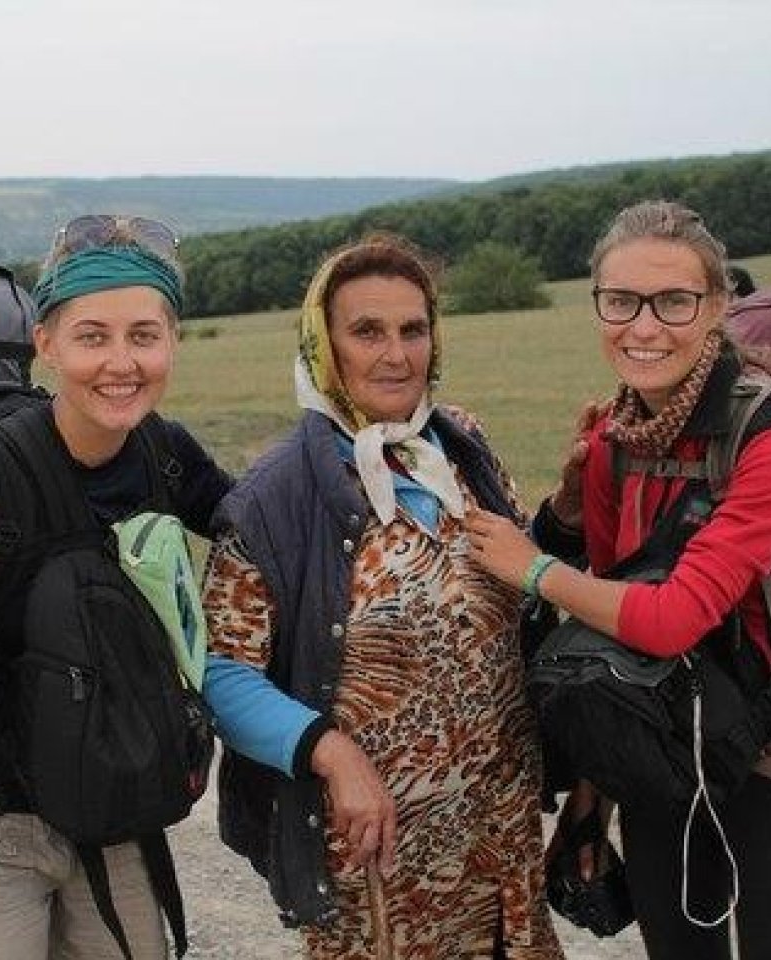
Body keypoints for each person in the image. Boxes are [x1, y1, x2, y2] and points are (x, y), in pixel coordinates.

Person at [0, 214, 314, 960]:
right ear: (45, 344)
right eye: (93, 337)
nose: (121, 362)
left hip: (111, 809)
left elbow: (269, 540)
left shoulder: (164, 456)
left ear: (173, 342)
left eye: (144, 336)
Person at [465, 199, 771, 960]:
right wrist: (590, 801)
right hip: (661, 748)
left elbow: (672, 618)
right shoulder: (615, 439)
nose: (644, 327)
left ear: (720, 305)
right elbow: (614, 634)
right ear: (597, 306)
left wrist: (533, 567)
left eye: (675, 301)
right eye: (621, 301)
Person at [202, 233, 563, 959]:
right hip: (376, 851)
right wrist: (330, 752)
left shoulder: (461, 449)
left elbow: (519, 584)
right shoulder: (274, 500)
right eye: (367, 331)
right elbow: (222, 673)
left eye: (413, 330)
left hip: (500, 829)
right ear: (323, 345)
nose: (396, 355)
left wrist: (569, 522)